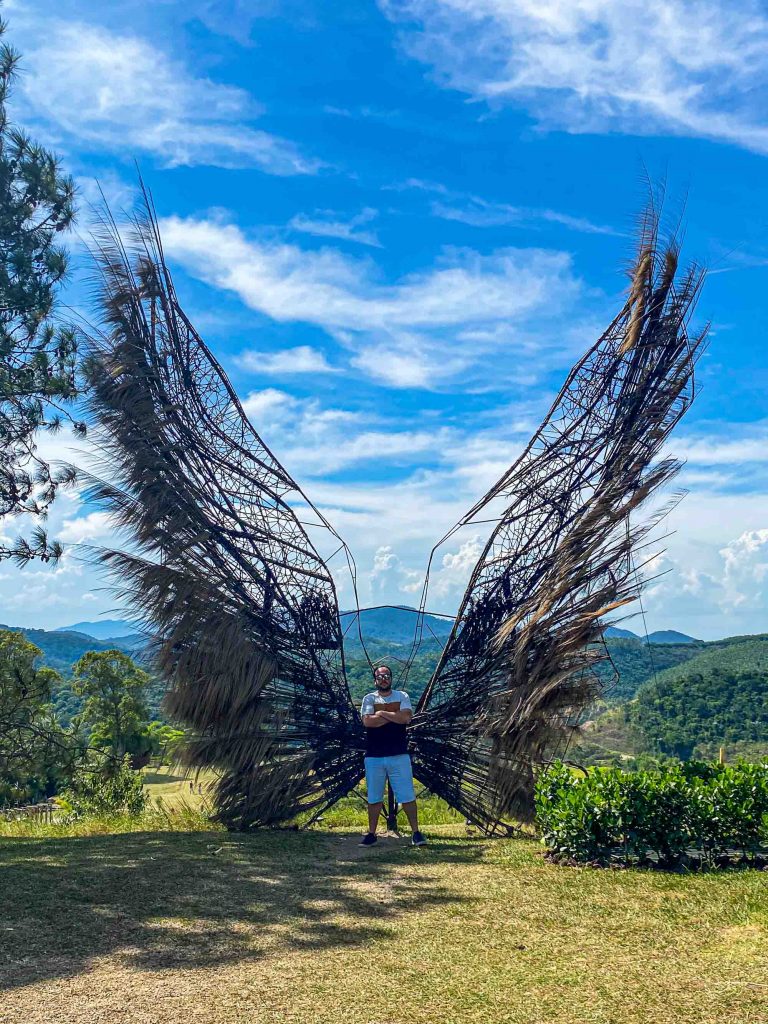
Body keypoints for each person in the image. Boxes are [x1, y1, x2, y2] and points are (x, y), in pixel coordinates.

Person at [359, 664, 427, 847]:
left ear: (391, 678)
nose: (383, 679)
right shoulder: (369, 698)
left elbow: (406, 718)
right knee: (374, 796)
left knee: (407, 794)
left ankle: (416, 832)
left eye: (386, 675)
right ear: (375, 680)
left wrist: (380, 713)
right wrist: (393, 715)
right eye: (380, 676)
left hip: (398, 754)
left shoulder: (402, 695)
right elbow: (368, 722)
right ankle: (372, 833)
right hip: (374, 755)